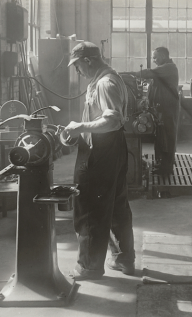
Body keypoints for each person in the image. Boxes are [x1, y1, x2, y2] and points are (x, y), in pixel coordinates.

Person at [64, 41, 135, 280]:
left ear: (88, 60)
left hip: (102, 150)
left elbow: (113, 121)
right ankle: (124, 258)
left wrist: (80, 127)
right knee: (116, 203)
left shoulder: (105, 83)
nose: (77, 72)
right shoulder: (106, 79)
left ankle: (89, 267)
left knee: (89, 208)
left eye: (77, 66)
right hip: (111, 148)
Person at [133, 47, 179, 175]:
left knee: (167, 137)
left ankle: (166, 168)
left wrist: (131, 74)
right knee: (160, 137)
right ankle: (161, 164)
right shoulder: (164, 68)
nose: (153, 60)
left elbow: (149, 73)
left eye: (155, 57)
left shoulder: (169, 67)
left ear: (163, 56)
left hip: (167, 108)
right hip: (160, 108)